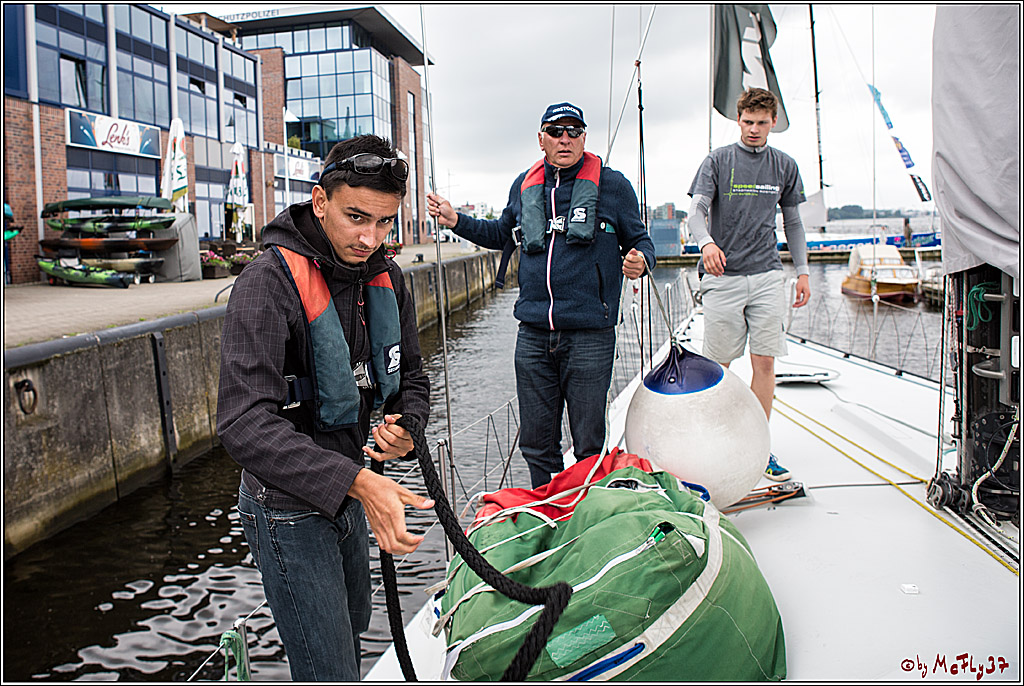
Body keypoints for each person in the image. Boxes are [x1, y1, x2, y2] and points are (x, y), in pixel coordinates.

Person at [217, 134, 433, 681]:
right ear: (320, 201)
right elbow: (242, 424)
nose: (370, 238)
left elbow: (413, 379)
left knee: (356, 624)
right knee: (329, 668)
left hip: (350, 488)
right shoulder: (265, 283)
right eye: (357, 217)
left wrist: (408, 426)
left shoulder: (388, 278)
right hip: (286, 504)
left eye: (385, 223)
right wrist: (360, 484)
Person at [427, 101, 656, 488]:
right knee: (536, 440)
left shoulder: (613, 185)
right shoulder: (523, 185)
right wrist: (455, 221)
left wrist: (640, 261)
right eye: (555, 131)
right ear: (541, 139)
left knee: (587, 440)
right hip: (533, 332)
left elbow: (642, 241)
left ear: (584, 137)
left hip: (589, 333)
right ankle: (544, 505)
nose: (564, 139)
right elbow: (500, 234)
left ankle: (588, 507)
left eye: (573, 131)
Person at [685, 87, 811, 483]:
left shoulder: (784, 166)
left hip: (768, 274)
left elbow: (793, 223)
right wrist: (706, 242)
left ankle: (759, 447)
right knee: (719, 365)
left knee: (765, 361)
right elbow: (697, 211)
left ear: (773, 122)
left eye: (761, 122)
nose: (754, 129)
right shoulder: (718, 161)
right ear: (738, 121)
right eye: (747, 122)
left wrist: (803, 269)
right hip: (724, 277)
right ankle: (715, 441)